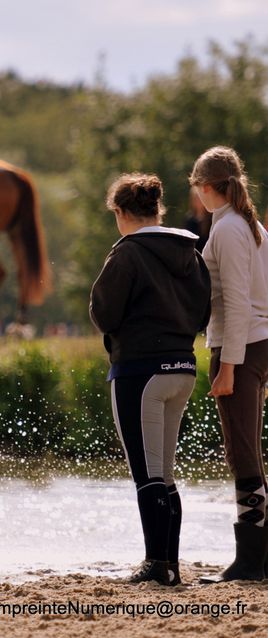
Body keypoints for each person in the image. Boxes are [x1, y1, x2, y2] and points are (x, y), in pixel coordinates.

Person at [90, 173, 210, 586]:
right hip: (184, 369)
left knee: (148, 475)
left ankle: (157, 566)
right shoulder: (190, 251)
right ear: (158, 209)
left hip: (140, 373)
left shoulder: (127, 253)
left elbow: (103, 313)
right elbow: (203, 313)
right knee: (167, 475)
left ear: (122, 213)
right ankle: (170, 564)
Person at [191, 147, 268, 583]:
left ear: (205, 188)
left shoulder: (230, 230)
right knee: (248, 449)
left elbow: (237, 304)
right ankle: (262, 558)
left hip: (239, 347)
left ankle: (249, 562)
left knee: (242, 453)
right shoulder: (250, 225)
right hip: (256, 346)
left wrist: (228, 367)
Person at [183, 186, 211, 252]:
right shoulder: (189, 220)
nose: (198, 201)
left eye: (200, 198)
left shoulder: (211, 220)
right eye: (196, 198)